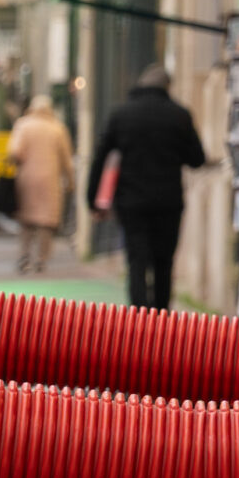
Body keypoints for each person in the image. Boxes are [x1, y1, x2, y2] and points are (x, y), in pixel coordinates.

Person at [87, 62, 205, 309]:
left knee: (136, 261)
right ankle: (161, 320)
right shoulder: (179, 115)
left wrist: (93, 200)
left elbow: (100, 158)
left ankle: (139, 320)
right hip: (168, 202)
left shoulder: (121, 114)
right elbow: (197, 159)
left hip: (132, 202)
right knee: (164, 262)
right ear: (167, 87)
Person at [7, 94, 75, 273]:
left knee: (26, 220)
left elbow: (15, 152)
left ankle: (24, 255)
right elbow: (66, 159)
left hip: (26, 179)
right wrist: (70, 180)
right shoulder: (57, 128)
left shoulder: (23, 125)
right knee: (47, 221)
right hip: (50, 179)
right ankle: (41, 259)